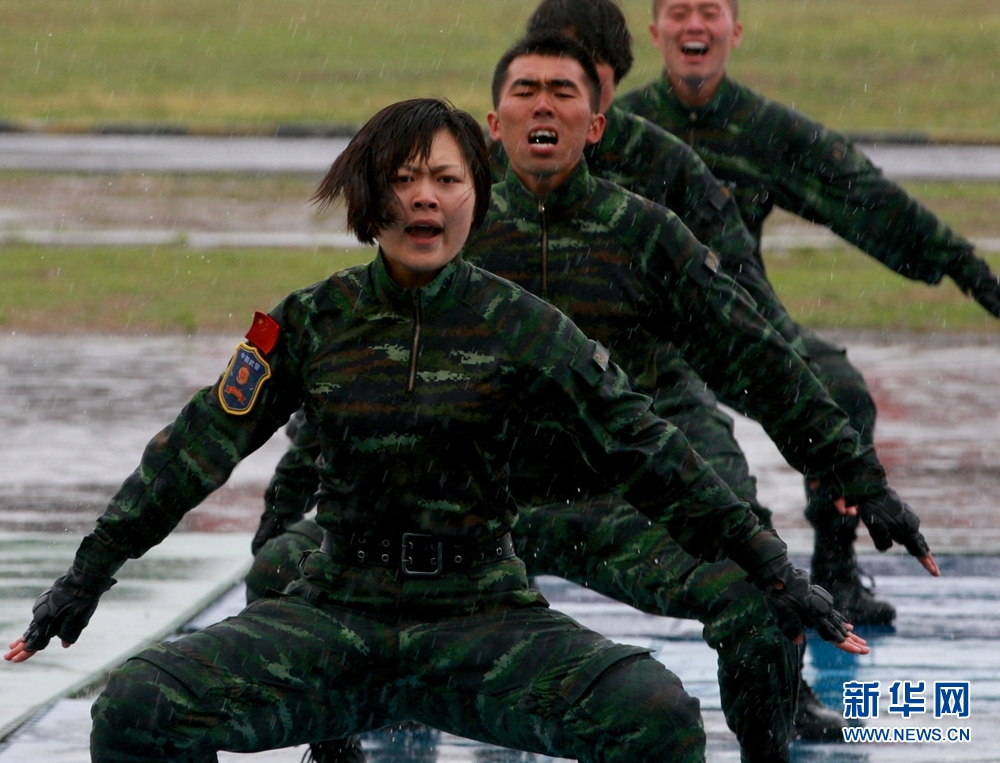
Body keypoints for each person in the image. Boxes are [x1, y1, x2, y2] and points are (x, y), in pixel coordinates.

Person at [3, 98, 864, 763]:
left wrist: (769, 568)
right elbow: (192, 452)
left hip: (481, 616)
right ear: (366, 199)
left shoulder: (525, 327)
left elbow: (651, 454)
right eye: (403, 179)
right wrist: (86, 577)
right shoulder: (310, 323)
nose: (424, 196)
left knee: (657, 719)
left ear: (473, 200)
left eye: (446, 180)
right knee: (135, 708)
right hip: (339, 612)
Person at [247, 35, 936, 763]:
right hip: (470, 518)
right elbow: (347, 390)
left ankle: (769, 742)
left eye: (564, 91)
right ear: (495, 124)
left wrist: (863, 479)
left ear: (595, 124)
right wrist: (282, 518)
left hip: (612, 509)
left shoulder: (645, 236)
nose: (543, 103)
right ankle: (337, 745)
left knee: (758, 602)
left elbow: (762, 359)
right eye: (525, 90)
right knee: (278, 569)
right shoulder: (449, 237)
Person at [617, 0, 1000, 624]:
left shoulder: (760, 127)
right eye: (678, 11)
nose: (694, 25)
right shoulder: (619, 128)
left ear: (734, 32)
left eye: (708, 11)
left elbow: (863, 193)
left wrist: (967, 268)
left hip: (738, 330)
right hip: (638, 339)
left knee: (841, 393)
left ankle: (835, 570)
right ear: (654, 31)